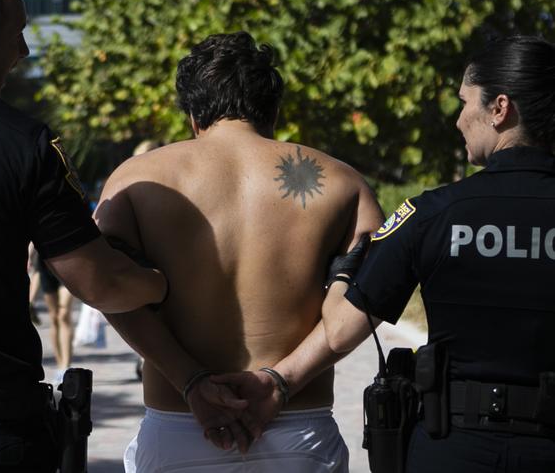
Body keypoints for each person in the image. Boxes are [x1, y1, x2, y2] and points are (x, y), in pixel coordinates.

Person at [219, 35, 555, 473]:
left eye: (464, 102)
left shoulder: (433, 213)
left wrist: (342, 273)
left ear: (499, 108)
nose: (458, 120)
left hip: (454, 450)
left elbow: (341, 330)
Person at [94, 31, 382, 473]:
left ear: (193, 114)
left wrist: (191, 383)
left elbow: (105, 287)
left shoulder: (136, 180)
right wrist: (280, 385)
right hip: (297, 426)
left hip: (179, 423)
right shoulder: (343, 182)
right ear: (273, 110)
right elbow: (368, 300)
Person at [0, 0, 167, 472]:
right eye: (17, 36)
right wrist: (160, 280)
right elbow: (99, 281)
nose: (23, 52)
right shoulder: (20, 143)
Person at [37, 257, 75, 383]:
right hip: (45, 262)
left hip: (68, 261)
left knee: (63, 314)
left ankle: (66, 366)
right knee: (54, 317)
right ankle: (60, 366)